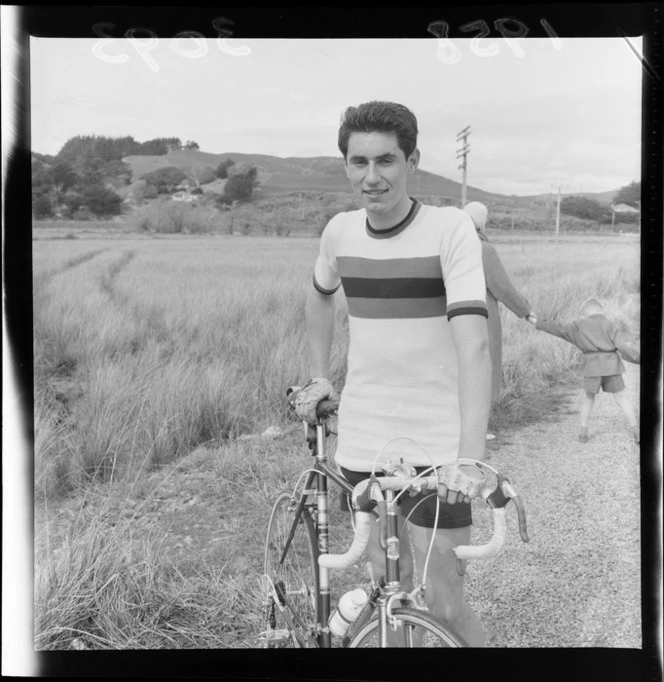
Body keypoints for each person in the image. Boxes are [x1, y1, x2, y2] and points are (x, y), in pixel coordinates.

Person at [294, 101, 492, 646]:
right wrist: (321, 375)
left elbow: (473, 344)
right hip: (364, 446)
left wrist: (470, 456)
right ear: (346, 166)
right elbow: (319, 295)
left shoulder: (451, 230)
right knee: (391, 597)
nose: (372, 176)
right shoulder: (338, 232)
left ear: (412, 161)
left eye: (386, 160)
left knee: (446, 604)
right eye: (359, 162)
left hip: (438, 446)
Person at [463, 202, 536, 440]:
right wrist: (525, 310)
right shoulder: (483, 249)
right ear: (481, 222)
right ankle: (477, 431)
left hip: (450, 318)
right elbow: (502, 288)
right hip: (481, 318)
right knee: (485, 369)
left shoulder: (449, 246)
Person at [533, 297, 640, 443]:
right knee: (621, 398)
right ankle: (636, 430)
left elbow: (558, 328)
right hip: (612, 366)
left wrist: (538, 322)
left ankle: (583, 432)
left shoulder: (578, 325)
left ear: (584, 313)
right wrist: (639, 358)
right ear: (601, 310)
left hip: (592, 367)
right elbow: (623, 347)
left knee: (589, 399)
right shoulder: (610, 324)